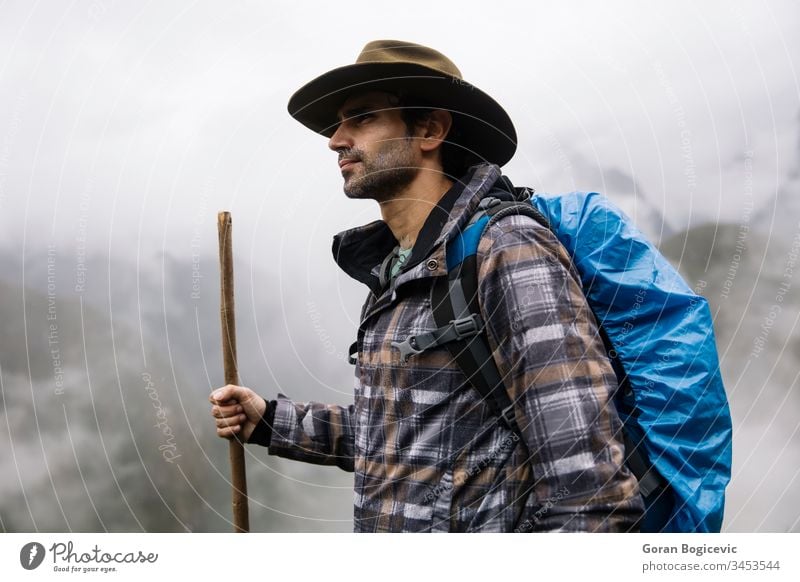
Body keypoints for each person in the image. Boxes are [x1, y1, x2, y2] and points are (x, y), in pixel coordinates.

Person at [209, 40, 644, 532]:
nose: (335, 140)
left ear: (431, 130)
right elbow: (402, 440)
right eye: (336, 124)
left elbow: (588, 492)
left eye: (362, 117)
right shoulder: (397, 273)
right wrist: (268, 420)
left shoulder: (507, 249)